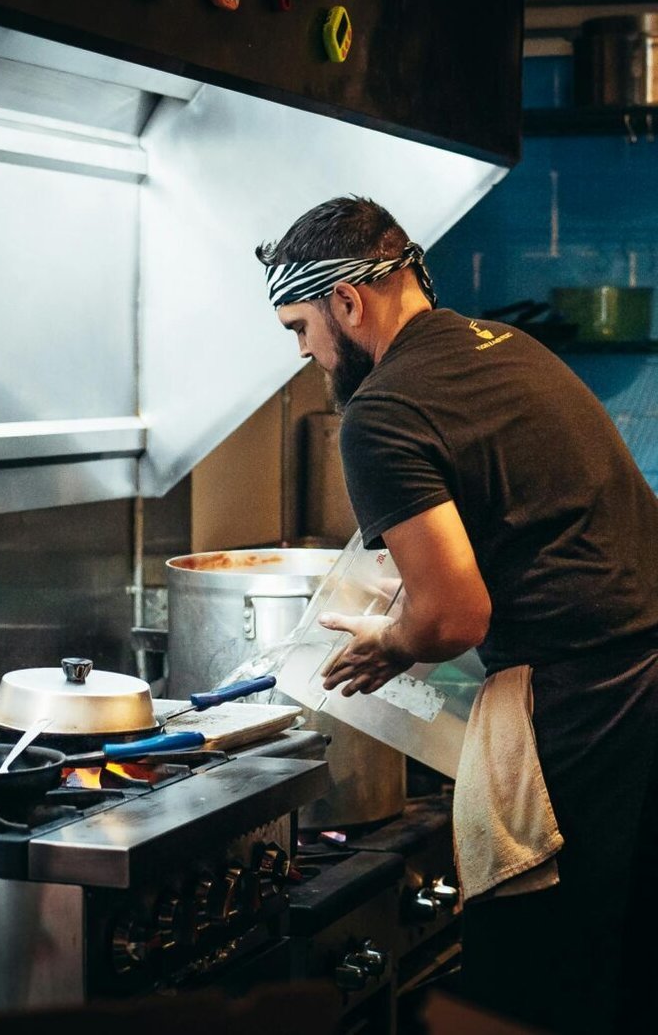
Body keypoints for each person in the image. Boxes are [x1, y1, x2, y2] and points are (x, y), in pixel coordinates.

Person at [255, 197, 658, 1032]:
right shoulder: (504, 346)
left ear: (348, 302)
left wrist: (386, 646)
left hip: (591, 712)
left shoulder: (380, 411)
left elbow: (452, 618)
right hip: (642, 680)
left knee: (542, 986)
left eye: (299, 328)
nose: (302, 353)